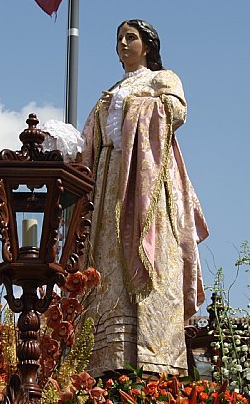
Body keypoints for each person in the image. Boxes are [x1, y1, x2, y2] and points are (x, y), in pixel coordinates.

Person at [81, 19, 209, 376]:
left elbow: (175, 111)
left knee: (149, 254)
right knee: (107, 264)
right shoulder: (108, 92)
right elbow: (90, 139)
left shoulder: (161, 79)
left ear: (148, 45)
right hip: (108, 181)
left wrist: (139, 105)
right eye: (119, 38)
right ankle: (106, 357)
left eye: (131, 37)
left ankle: (152, 356)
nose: (123, 43)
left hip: (145, 180)